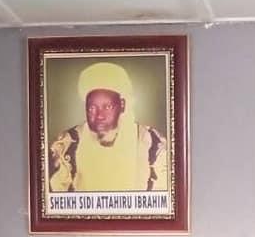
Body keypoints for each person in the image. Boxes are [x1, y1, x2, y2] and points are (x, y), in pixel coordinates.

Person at [48, 60, 168, 193]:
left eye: (107, 107)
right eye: (92, 108)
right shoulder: (68, 144)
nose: (99, 115)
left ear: (122, 105)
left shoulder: (150, 142)